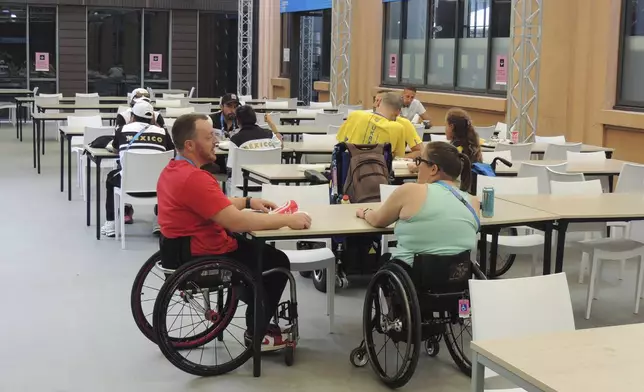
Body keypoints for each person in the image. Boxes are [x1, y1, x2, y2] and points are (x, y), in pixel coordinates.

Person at [157, 113, 312, 351]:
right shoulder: (195, 179)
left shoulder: (173, 170)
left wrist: (249, 201)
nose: (216, 141)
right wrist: (288, 220)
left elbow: (215, 204)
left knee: (256, 253)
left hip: (179, 248)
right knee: (276, 262)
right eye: (209, 137)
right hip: (204, 252)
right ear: (190, 145)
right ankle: (257, 333)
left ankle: (251, 296)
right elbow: (236, 222)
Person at [356, 141, 479, 266]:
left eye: (420, 161)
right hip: (456, 279)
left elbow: (378, 220)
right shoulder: (473, 202)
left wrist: (365, 212)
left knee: (384, 260)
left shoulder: (410, 191)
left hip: (411, 276)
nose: (417, 166)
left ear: (433, 169)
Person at [100, 100, 175, 238]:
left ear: (133, 117)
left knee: (111, 177)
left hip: (128, 185)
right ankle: (159, 221)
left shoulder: (122, 130)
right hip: (158, 187)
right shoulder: (163, 132)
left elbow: (115, 149)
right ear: (152, 117)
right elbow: (171, 153)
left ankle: (111, 223)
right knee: (167, 175)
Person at [336, 92, 406, 158]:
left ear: (378, 102)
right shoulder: (398, 128)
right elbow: (399, 158)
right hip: (379, 169)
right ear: (398, 112)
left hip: (351, 167)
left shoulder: (355, 115)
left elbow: (340, 142)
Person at [373, 90, 422, 158]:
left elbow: (419, 151)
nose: (375, 105)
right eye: (375, 100)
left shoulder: (404, 124)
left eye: (378, 101)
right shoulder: (368, 120)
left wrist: (398, 160)